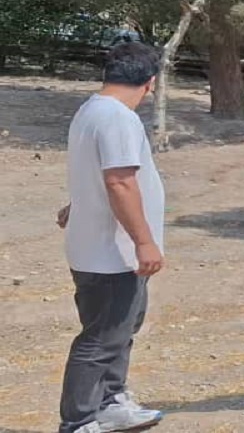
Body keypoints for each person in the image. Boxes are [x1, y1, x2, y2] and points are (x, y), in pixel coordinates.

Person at [57, 42, 166, 433]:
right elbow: (119, 181)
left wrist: (77, 203)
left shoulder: (91, 109)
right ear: (150, 83)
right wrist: (144, 242)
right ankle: (79, 420)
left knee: (119, 331)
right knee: (102, 338)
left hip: (100, 247)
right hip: (112, 253)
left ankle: (110, 401)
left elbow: (95, 170)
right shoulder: (119, 118)